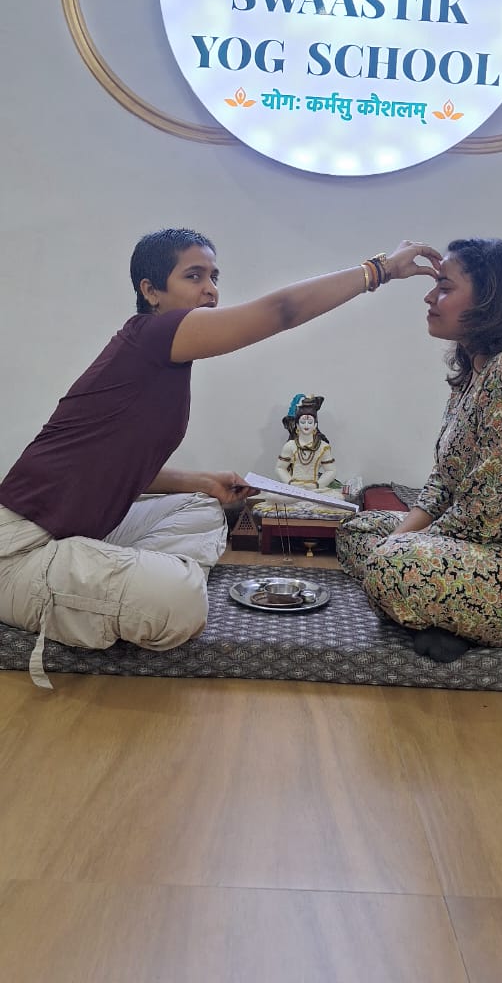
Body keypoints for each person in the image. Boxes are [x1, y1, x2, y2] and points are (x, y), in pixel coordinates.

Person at [0, 230, 440, 685]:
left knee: (204, 507)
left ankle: (108, 577)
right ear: (150, 291)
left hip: (81, 529)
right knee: (181, 605)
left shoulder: (158, 357)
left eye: (214, 276)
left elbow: (121, 468)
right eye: (193, 276)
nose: (210, 289)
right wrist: (379, 270)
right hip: (19, 548)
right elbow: (281, 312)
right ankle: (119, 582)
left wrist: (202, 480)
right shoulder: (151, 335)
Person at [336, 238, 502, 661]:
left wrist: (399, 552)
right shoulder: (478, 369)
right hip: (490, 552)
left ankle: (436, 612)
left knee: (394, 566)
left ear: (491, 299)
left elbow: (485, 510)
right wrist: (397, 539)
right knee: (357, 531)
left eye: (445, 287)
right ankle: (448, 617)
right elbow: (442, 484)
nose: (429, 296)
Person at [275, 394, 337, 492]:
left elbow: (331, 470)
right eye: (303, 422)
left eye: (310, 422)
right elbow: (280, 468)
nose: (306, 425)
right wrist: (290, 484)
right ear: (297, 425)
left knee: (338, 497)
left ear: (315, 425)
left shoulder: (323, 447)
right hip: (294, 488)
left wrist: (317, 485)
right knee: (272, 497)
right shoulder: (290, 446)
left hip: (314, 489)